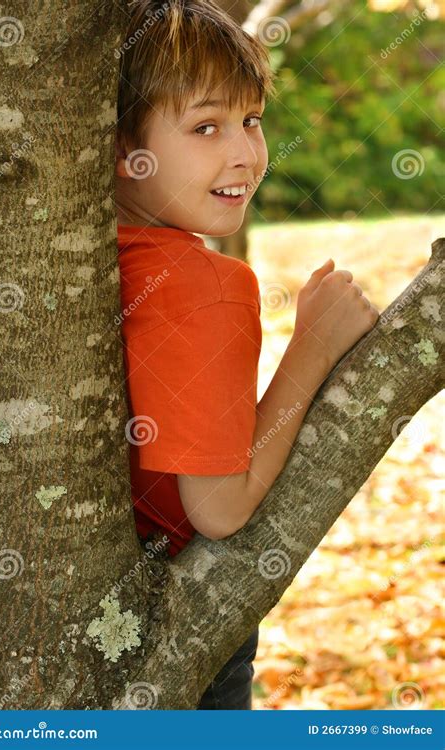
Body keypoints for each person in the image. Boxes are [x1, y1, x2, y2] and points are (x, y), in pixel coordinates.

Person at [115, 0, 379, 710]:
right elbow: (220, 509)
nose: (246, 154)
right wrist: (314, 347)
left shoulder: (93, 264)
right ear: (119, 147)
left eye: (251, 119)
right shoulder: (205, 286)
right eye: (206, 127)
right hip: (180, 635)